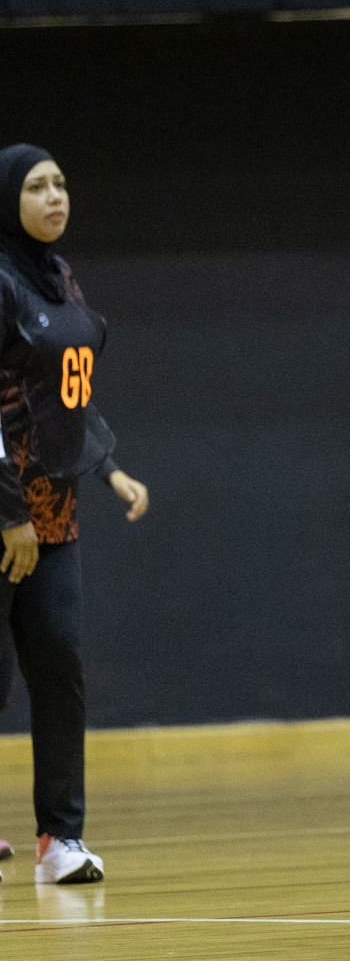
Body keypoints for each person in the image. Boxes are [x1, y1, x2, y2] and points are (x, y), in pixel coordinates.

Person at [0, 144, 150, 887]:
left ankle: (60, 839)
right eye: (36, 186)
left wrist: (110, 467)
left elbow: (69, 391)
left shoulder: (58, 279)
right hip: (5, 516)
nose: (55, 197)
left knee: (59, 669)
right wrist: (8, 515)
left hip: (54, 517)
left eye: (61, 183)